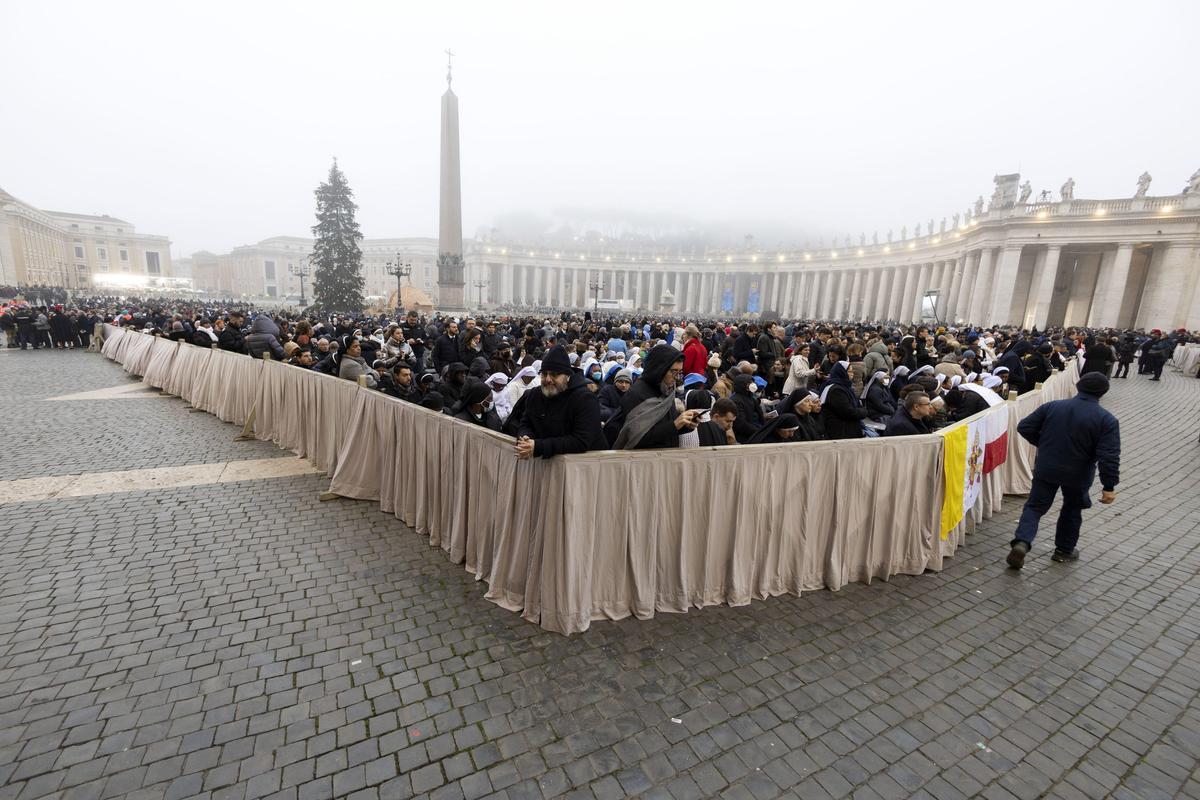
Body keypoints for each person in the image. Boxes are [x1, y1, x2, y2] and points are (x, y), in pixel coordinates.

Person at [1006, 372, 1120, 569]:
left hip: (1047, 466)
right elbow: (1108, 455)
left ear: (1078, 386)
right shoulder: (1106, 419)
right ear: (1103, 393)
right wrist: (1109, 485)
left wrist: (1044, 444)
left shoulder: (1054, 406)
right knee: (1072, 509)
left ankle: (1022, 542)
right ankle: (1063, 550)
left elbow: (1025, 426)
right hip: (1079, 472)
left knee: (1034, 507)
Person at [516, 345, 606, 458]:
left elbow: (581, 441)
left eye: (554, 374)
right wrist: (525, 438)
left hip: (583, 467)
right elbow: (526, 423)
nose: (548, 379)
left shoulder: (585, 399)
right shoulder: (535, 394)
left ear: (568, 376)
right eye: (544, 374)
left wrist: (539, 446)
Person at [612, 344, 700, 449]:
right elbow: (637, 438)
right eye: (673, 371)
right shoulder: (636, 394)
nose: (677, 377)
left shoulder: (667, 390)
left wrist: (686, 425)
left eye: (679, 372)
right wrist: (675, 424)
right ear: (660, 369)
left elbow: (667, 429)